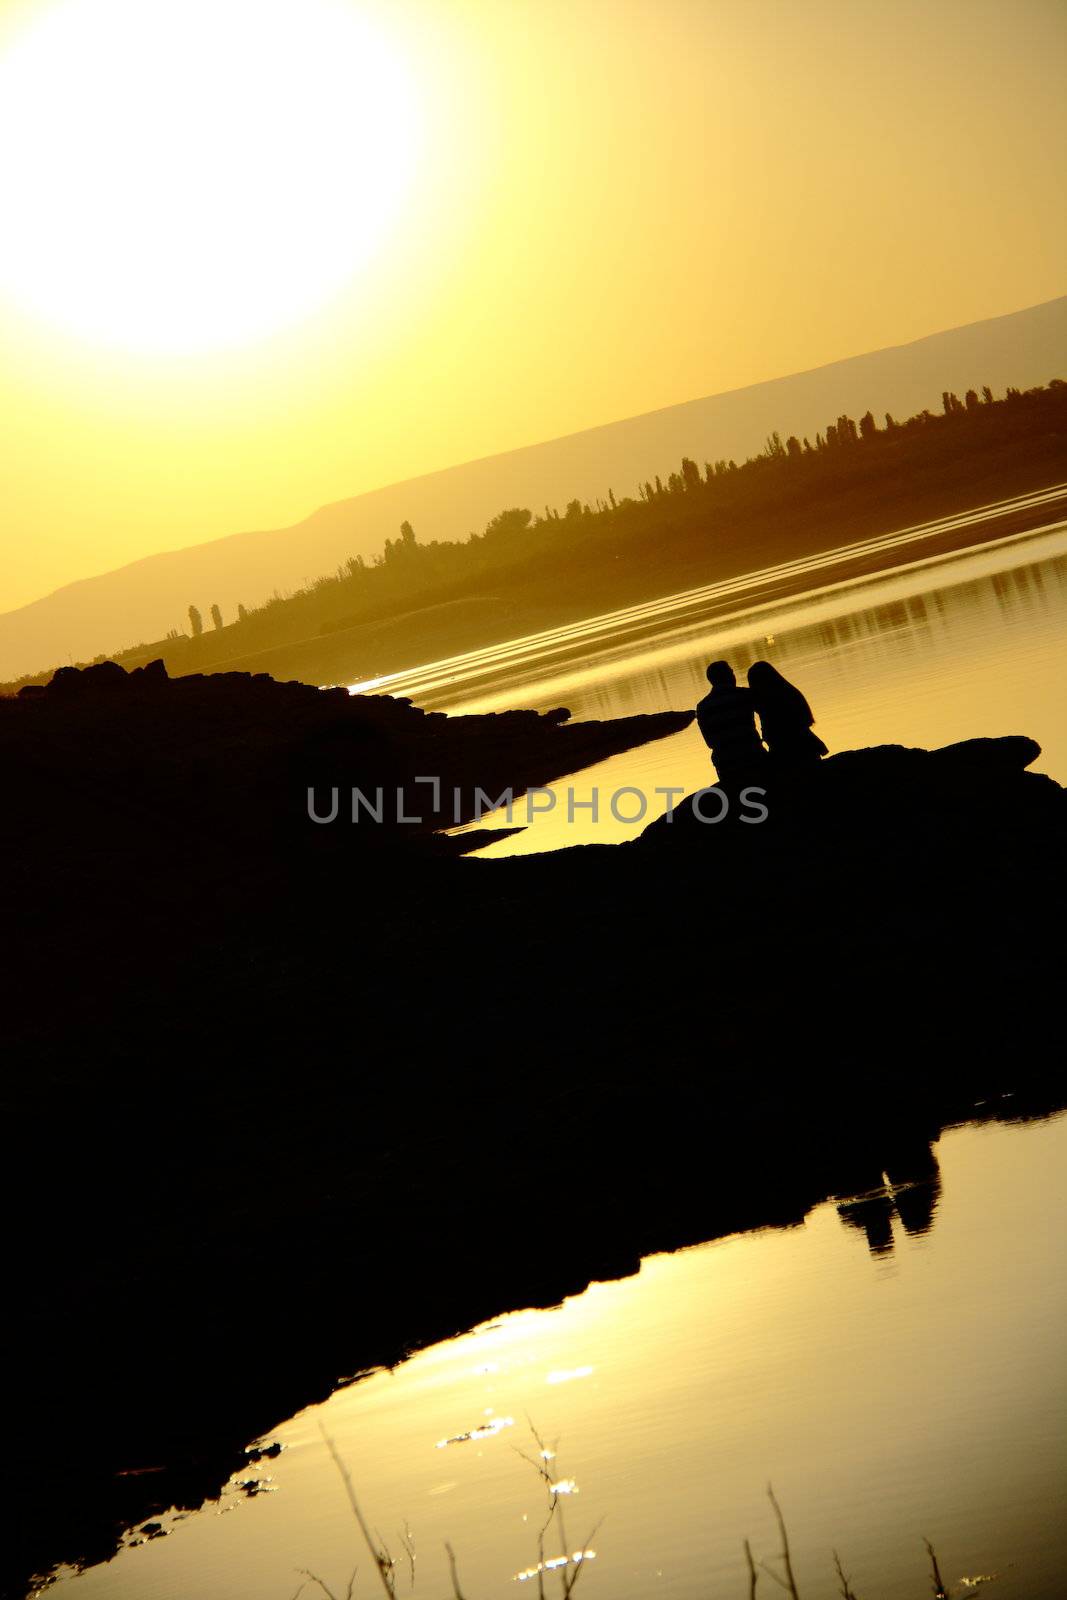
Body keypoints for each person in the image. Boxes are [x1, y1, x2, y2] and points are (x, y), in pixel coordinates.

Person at [695, 660, 767, 783]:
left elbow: (710, 743)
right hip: (752, 755)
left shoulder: (703, 706)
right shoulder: (744, 695)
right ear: (729, 676)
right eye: (731, 672)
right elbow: (766, 713)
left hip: (724, 762)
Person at [747, 660, 828, 768]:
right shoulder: (790, 692)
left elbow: (775, 736)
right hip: (807, 749)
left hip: (790, 754)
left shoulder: (769, 703)